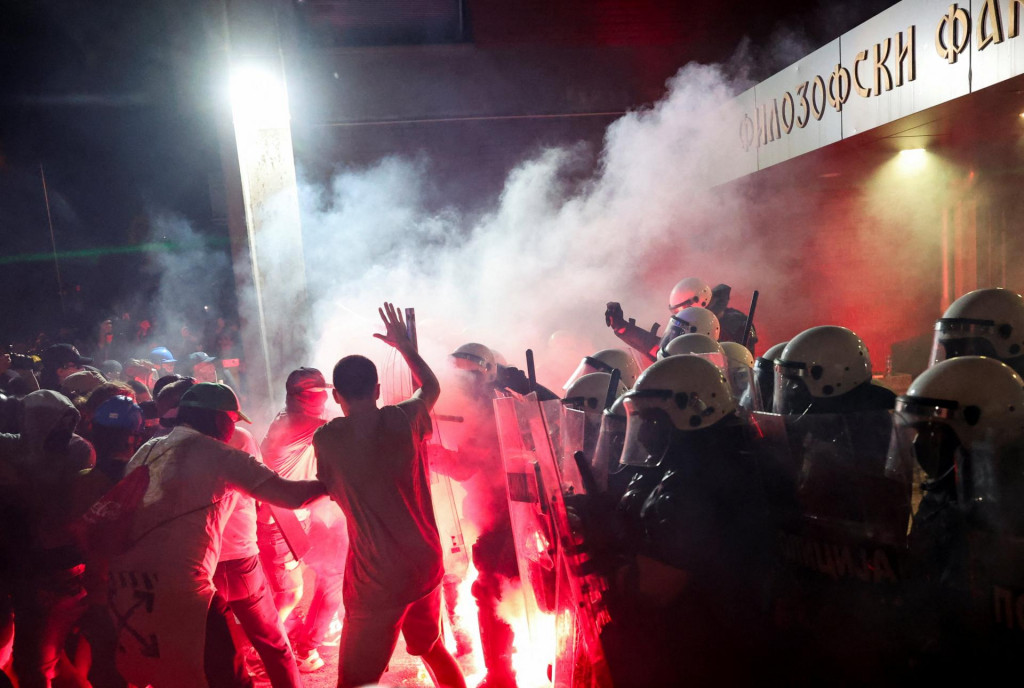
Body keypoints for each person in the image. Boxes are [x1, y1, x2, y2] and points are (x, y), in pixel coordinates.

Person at [106, 382, 328, 688]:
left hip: (132, 583)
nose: (234, 427)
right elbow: (288, 495)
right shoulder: (219, 454)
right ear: (216, 419)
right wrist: (334, 481)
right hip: (190, 582)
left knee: (167, 669)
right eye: (231, 419)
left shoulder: (149, 448)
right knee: (245, 663)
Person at [313, 303, 465, 688]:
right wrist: (405, 347)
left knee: (354, 682)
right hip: (424, 563)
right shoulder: (404, 418)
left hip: (377, 579)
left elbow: (330, 488)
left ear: (335, 394)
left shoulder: (328, 438)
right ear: (377, 389)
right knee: (430, 648)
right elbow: (430, 387)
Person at [258, 367, 343, 673]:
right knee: (287, 594)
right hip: (278, 522)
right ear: (302, 397)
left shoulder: (297, 418)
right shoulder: (297, 422)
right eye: (319, 393)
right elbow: (349, 426)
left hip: (293, 516)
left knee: (332, 572)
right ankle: (257, 654)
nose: (324, 398)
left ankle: (304, 641)